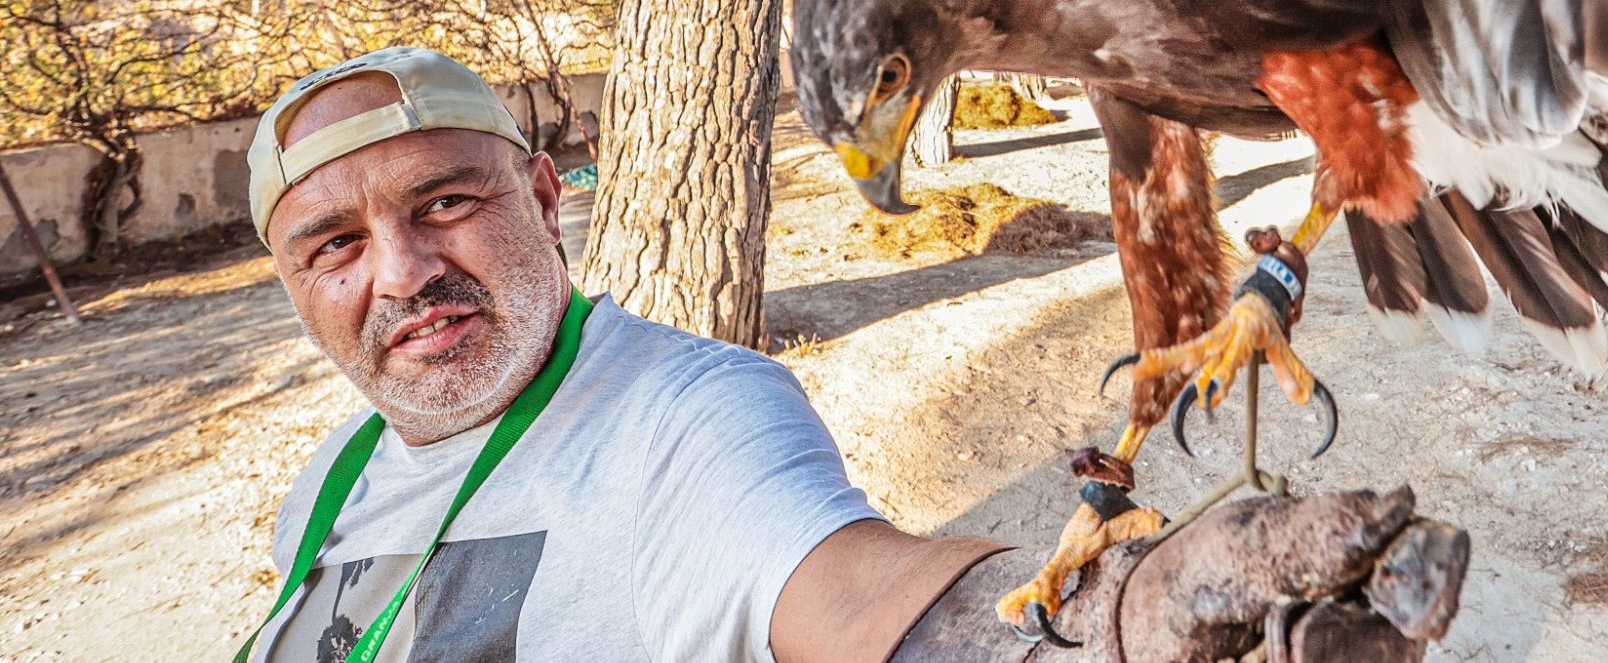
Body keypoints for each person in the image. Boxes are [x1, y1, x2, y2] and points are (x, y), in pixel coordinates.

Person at [236, 46, 1464, 663]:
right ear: (293, 283)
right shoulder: (328, 487)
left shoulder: (686, 416)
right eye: (333, 245)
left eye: (445, 202)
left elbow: (857, 595)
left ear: (547, 199)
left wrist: (1117, 618)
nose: (402, 271)